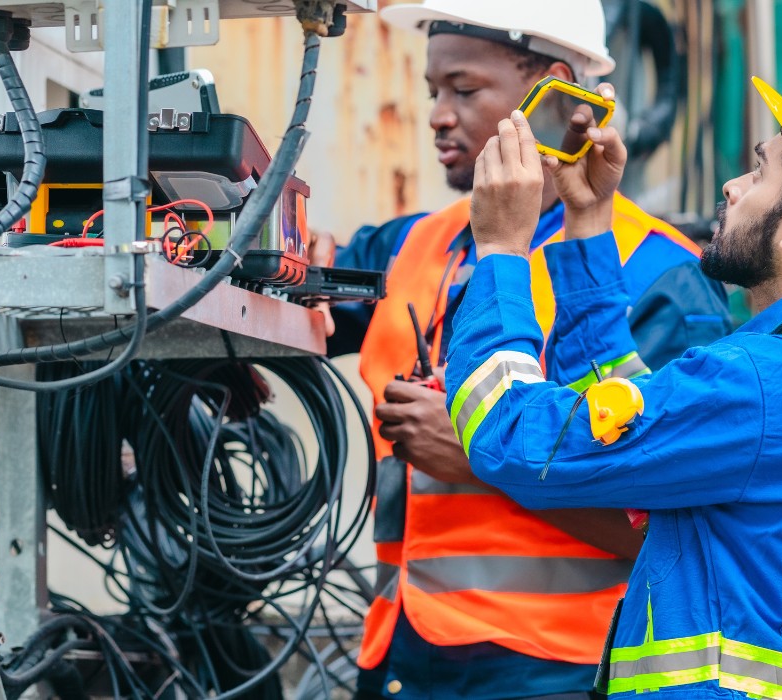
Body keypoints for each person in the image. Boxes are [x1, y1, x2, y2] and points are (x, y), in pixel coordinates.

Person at [447, 73, 782, 699]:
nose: (732, 186)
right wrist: (587, 221)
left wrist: (500, 247)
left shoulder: (769, 383)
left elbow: (513, 436)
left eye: (758, 171)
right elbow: (638, 422)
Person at [310, 1, 732, 697]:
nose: (439, 115)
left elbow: (682, 531)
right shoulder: (411, 245)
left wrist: (482, 459)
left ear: (552, 90)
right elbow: (297, 304)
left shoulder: (656, 277)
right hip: (401, 658)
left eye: (465, 89)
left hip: (564, 669)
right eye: (433, 93)